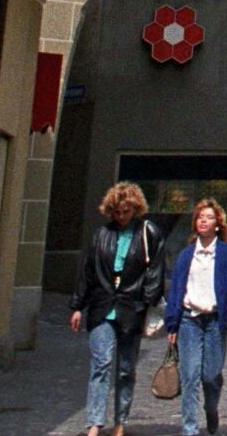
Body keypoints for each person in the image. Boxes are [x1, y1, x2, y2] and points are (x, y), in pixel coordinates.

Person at [71, 181, 165, 436]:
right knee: (101, 363)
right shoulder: (102, 234)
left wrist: (146, 301)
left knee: (125, 369)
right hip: (103, 307)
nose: (121, 216)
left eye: (126, 211)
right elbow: (88, 271)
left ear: (135, 209)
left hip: (130, 308)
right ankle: (94, 424)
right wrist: (78, 305)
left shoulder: (148, 232)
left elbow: (155, 271)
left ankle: (120, 421)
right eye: (117, 212)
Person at [165, 198, 227, 436]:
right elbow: (176, 290)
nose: (203, 220)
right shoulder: (186, 255)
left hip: (215, 320)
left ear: (218, 225)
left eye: (209, 217)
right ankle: (190, 429)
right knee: (190, 376)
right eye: (200, 217)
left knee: (210, 375)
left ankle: (211, 408)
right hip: (188, 321)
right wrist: (171, 324)